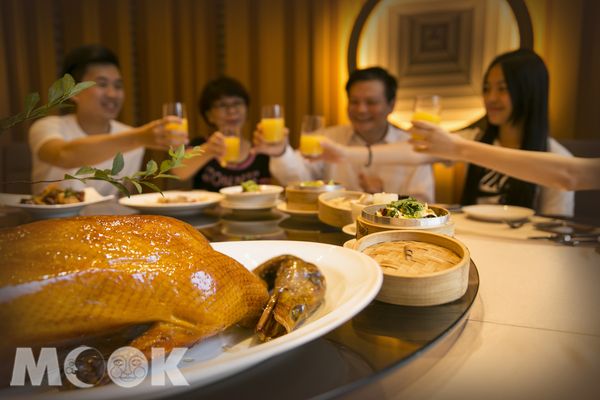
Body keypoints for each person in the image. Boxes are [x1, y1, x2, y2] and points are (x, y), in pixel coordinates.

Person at [254, 66, 435, 202]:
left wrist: (387, 198)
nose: (361, 110)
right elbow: (297, 178)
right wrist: (280, 152)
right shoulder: (327, 138)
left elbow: (426, 202)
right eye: (354, 101)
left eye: (371, 102)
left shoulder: (412, 146)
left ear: (391, 104)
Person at [29, 44, 187, 196]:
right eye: (102, 84)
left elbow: (124, 199)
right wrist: (139, 138)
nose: (113, 94)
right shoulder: (47, 127)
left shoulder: (132, 137)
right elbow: (63, 155)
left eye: (118, 86)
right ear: (73, 92)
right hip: (51, 223)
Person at [409, 120, 600, 191]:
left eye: (502, 88)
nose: (491, 98)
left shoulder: (554, 152)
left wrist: (459, 149)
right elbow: (415, 152)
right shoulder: (476, 137)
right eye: (486, 88)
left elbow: (570, 175)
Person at [171, 76, 271, 191]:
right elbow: (178, 171)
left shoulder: (260, 152)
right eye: (222, 105)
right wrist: (208, 150)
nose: (232, 111)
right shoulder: (200, 144)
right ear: (209, 115)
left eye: (237, 103)